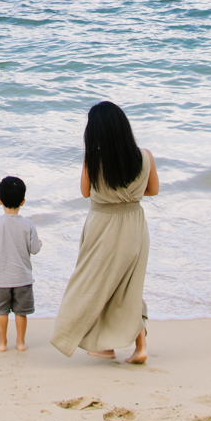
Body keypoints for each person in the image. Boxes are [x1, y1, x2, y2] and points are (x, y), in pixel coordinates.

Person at [50, 100, 158, 364]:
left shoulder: (94, 159)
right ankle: (137, 346)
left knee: (93, 284)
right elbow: (153, 190)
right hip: (134, 225)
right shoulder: (144, 155)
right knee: (129, 286)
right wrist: (128, 196)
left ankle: (91, 341)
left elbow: (85, 192)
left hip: (102, 227)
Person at [0, 175, 42, 352]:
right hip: (23, 278)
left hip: (0, 279)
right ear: (23, 201)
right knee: (21, 313)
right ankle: (21, 343)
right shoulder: (28, 225)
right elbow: (35, 249)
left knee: (2, 312)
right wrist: (41, 243)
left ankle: (2, 343)